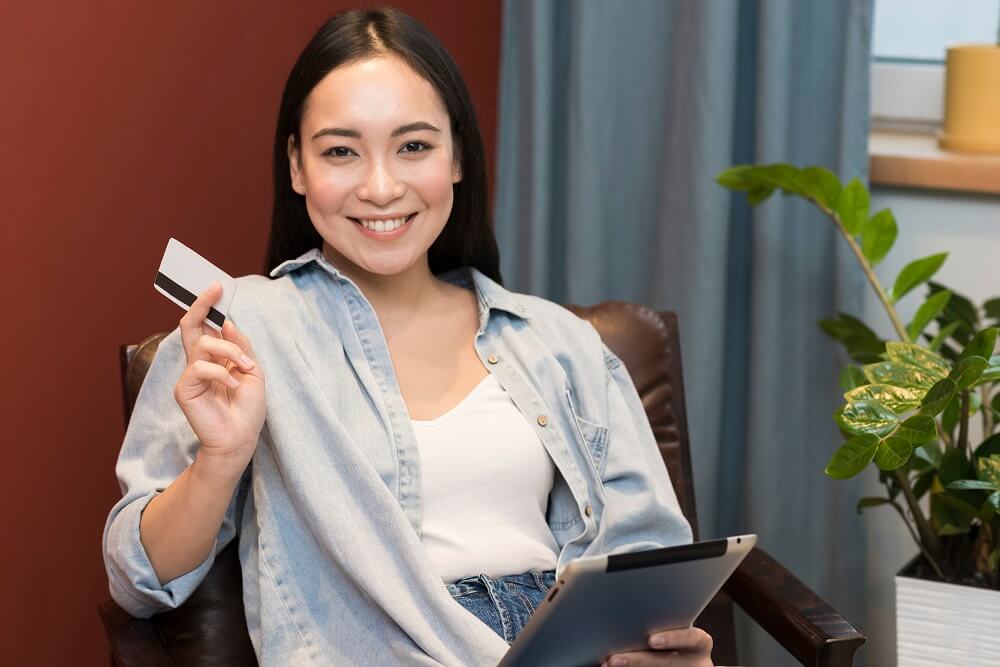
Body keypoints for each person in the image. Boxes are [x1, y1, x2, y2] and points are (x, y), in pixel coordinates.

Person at [103, 8, 711, 666]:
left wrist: (667, 647)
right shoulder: (238, 328)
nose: (381, 186)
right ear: (297, 166)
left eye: (414, 146)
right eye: (341, 150)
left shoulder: (558, 340)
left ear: (455, 156)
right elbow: (139, 582)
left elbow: (649, 555)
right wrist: (219, 460)